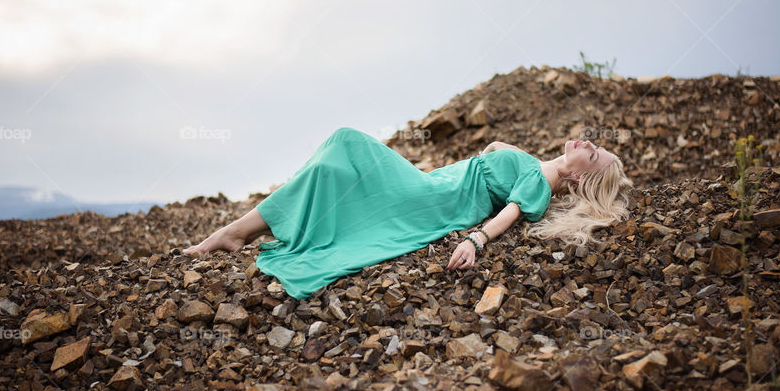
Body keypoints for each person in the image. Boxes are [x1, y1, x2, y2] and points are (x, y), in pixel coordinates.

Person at [184, 126, 632, 299]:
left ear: (577, 180)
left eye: (593, 156)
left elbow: (512, 212)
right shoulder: (536, 167)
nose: (589, 144)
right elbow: (494, 148)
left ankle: (235, 231)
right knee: (337, 164)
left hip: (435, 198)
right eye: (594, 145)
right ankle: (237, 231)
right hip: (436, 184)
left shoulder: (538, 182)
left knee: (347, 145)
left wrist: (476, 241)